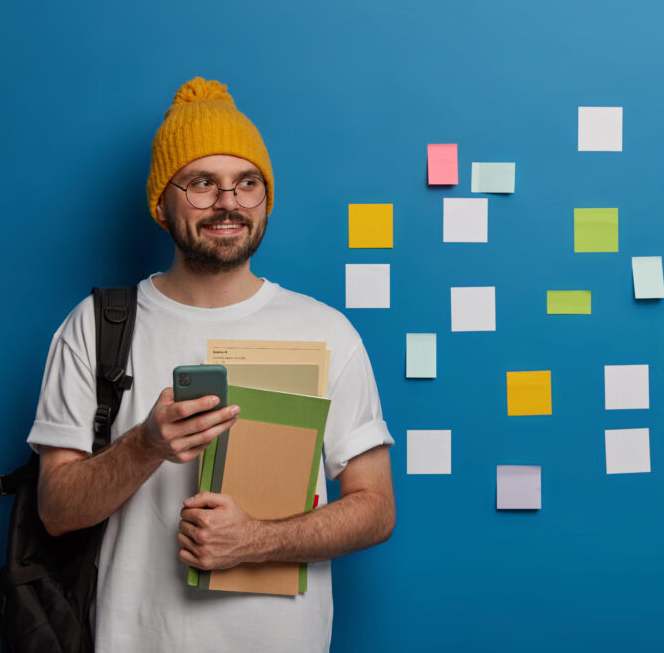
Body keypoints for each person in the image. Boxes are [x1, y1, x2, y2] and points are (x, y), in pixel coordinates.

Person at [26, 76, 395, 652]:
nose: (228, 202)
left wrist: (255, 540)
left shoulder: (327, 332)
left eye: (247, 183)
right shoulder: (94, 327)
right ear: (161, 204)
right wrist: (145, 445)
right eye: (202, 183)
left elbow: (375, 508)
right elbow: (55, 511)